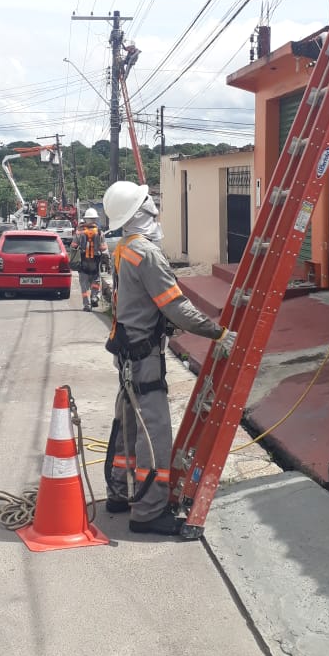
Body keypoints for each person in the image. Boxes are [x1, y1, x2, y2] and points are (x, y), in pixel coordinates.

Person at [101, 180, 232, 536]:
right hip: (143, 356)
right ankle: (148, 512)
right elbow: (176, 308)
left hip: (127, 352)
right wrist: (218, 333)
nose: (155, 208)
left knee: (128, 424)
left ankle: (119, 492)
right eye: (149, 203)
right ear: (140, 211)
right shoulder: (145, 253)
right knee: (154, 432)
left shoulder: (123, 248)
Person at [70, 208, 108, 312]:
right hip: (95, 262)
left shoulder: (79, 232)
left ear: (86, 219)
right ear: (95, 219)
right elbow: (104, 248)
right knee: (96, 281)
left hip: (83, 262)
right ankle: (94, 297)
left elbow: (73, 245)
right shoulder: (99, 232)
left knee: (84, 284)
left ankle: (87, 305)